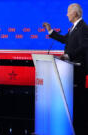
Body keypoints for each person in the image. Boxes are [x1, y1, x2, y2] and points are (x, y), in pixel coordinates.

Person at [43, 3, 88, 134]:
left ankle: (79, 129)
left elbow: (85, 46)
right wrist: (50, 31)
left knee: (78, 101)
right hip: (71, 70)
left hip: (78, 70)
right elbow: (64, 40)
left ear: (75, 13)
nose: (67, 14)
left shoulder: (83, 28)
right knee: (72, 101)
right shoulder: (74, 27)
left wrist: (68, 55)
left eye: (68, 11)